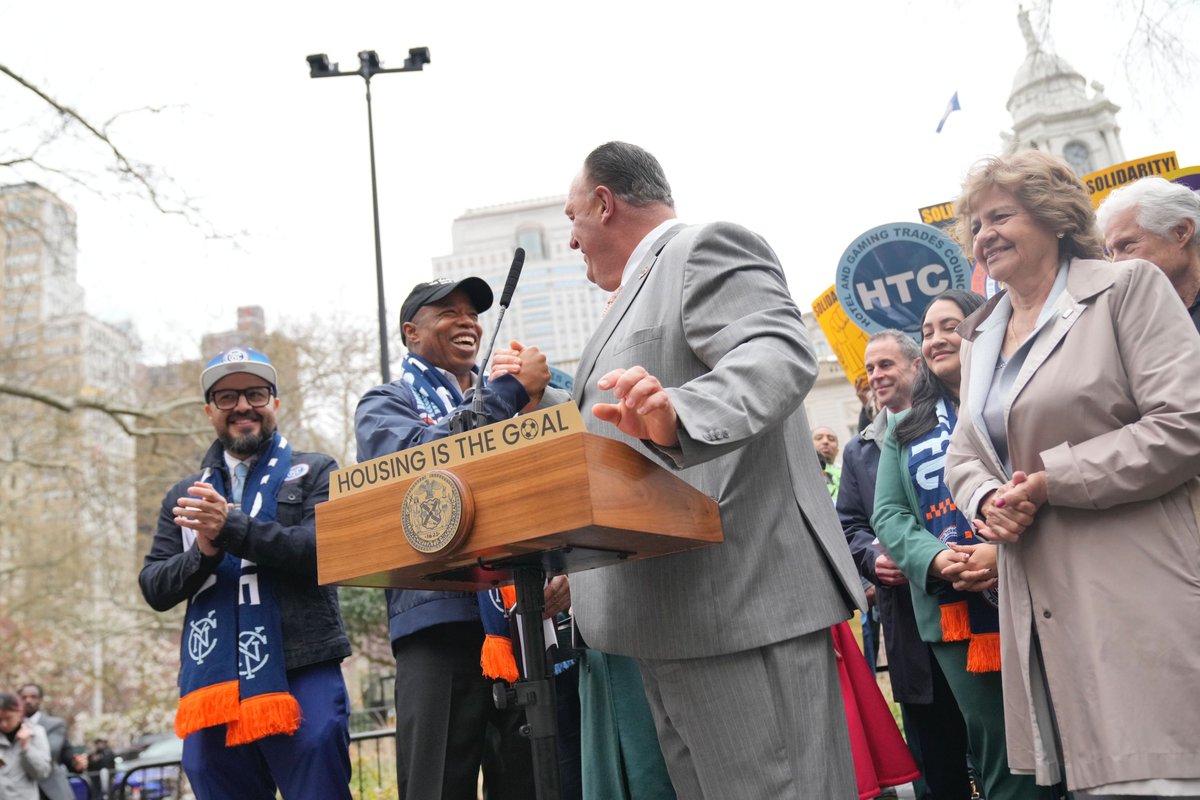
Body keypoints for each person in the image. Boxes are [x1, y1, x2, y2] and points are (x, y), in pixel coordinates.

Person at [561, 141, 865, 798]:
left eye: (572, 218)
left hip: (738, 601)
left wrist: (681, 413)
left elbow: (778, 356)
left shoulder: (704, 248)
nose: (572, 241)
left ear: (604, 203)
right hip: (667, 615)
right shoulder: (627, 301)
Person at [944, 150, 1200, 797]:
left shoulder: (1127, 289)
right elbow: (963, 454)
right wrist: (988, 499)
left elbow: (1185, 422)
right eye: (977, 223)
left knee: (1159, 775)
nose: (985, 235)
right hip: (1040, 604)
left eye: (1001, 215)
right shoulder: (981, 339)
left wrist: (1052, 479)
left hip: (1137, 584)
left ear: (1054, 217)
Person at [355, 277, 570, 800]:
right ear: (412, 333)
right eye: (447, 311)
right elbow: (415, 458)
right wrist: (509, 393)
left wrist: (565, 569)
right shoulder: (384, 402)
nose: (467, 321)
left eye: (473, 313)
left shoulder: (512, 399)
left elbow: (548, 491)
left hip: (524, 621)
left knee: (535, 784)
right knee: (436, 787)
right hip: (439, 621)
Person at [139, 347, 353, 800]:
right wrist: (204, 552)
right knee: (207, 770)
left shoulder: (316, 471)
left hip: (302, 662)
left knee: (317, 763)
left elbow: (325, 550)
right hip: (214, 676)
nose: (242, 406)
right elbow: (154, 586)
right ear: (209, 411)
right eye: (226, 397)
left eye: (255, 393)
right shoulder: (184, 495)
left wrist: (233, 527)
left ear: (274, 403)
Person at [872, 291, 1050, 800]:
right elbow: (888, 513)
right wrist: (935, 558)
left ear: (984, 327)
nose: (936, 339)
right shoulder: (904, 428)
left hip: (1039, 589)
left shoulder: (1023, 395)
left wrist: (1004, 556)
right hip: (954, 614)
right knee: (1002, 752)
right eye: (926, 332)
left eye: (950, 326)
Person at [838, 330, 978, 800]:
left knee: (996, 739)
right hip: (912, 627)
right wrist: (877, 558)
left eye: (885, 365)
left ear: (917, 366)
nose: (875, 376)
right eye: (869, 368)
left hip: (980, 602)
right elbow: (851, 524)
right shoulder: (860, 450)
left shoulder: (960, 418)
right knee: (937, 755)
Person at [1096, 175, 1200, 332]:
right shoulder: (1136, 323)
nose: (1116, 263)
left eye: (1127, 246)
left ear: (1181, 232)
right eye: (1111, 253)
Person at [17, 684, 78, 800]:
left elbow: (54, 754)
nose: (28, 701)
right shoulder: (9, 726)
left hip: (50, 791)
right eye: (23, 697)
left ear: (40, 700)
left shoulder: (55, 724)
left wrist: (77, 765)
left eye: (33, 697)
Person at [1, 691, 52, 800]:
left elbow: (42, 773)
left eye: (8, 718)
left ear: (19, 713)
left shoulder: (36, 732)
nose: (3, 724)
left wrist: (26, 748)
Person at [813, 426, 842, 497]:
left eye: (831, 439)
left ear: (837, 451)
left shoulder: (847, 472)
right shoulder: (802, 473)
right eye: (819, 438)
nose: (825, 441)